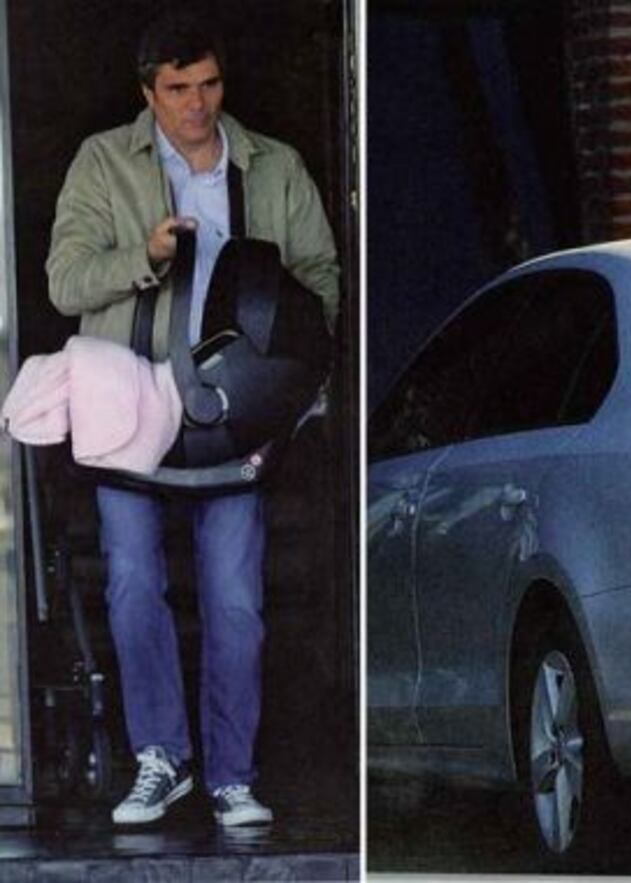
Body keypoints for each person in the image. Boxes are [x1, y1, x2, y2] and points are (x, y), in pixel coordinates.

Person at [45, 11, 339, 827]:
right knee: (135, 581)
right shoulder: (103, 161)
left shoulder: (272, 166)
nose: (196, 105)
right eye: (177, 90)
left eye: (208, 84)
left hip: (235, 415)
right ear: (148, 93)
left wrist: (287, 371)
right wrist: (146, 256)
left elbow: (322, 279)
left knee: (236, 598)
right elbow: (64, 282)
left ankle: (233, 774)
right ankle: (160, 760)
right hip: (131, 404)